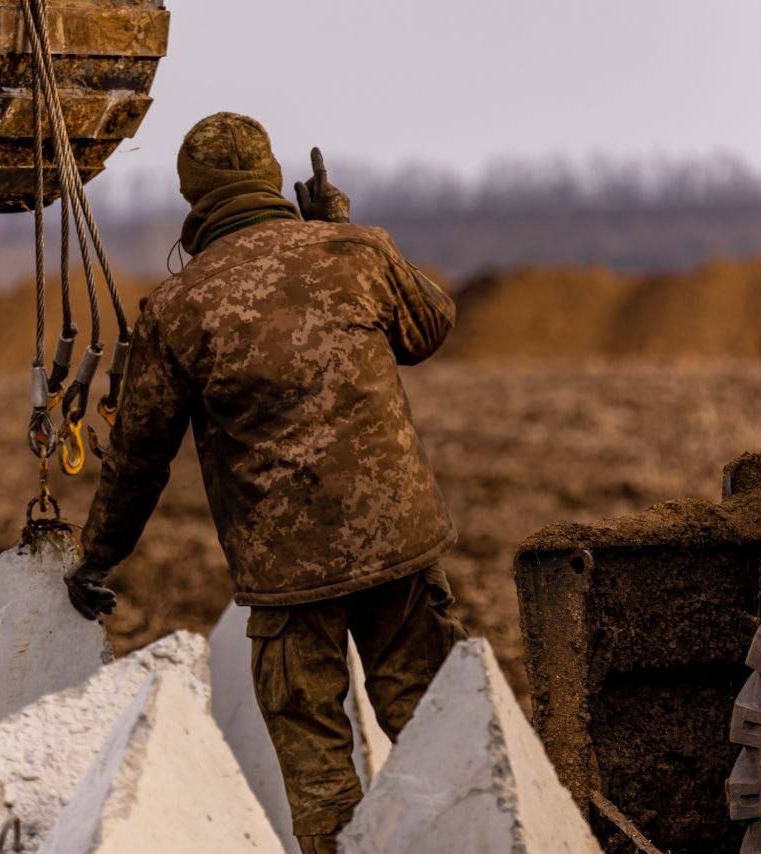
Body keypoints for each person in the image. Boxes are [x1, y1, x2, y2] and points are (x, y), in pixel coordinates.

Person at [65, 112, 467, 853]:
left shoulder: (179, 307)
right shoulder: (356, 250)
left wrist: (96, 557)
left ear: (193, 199)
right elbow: (431, 324)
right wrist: (341, 227)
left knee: (321, 780)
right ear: (271, 177)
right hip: (398, 550)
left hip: (289, 578)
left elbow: (139, 460)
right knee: (437, 740)